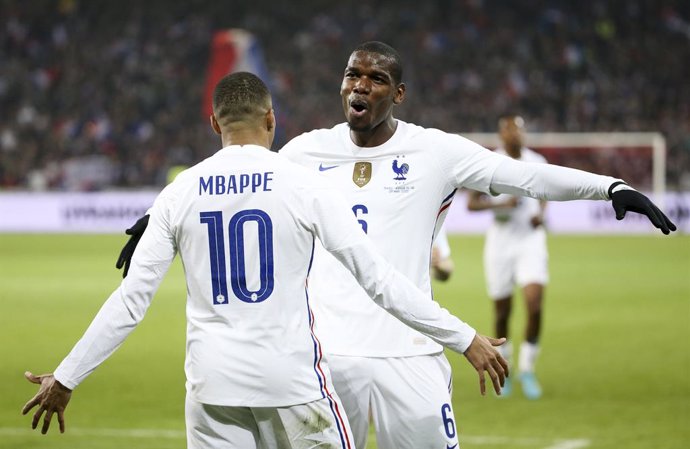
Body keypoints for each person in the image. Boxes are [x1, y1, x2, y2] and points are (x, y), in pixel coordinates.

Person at [115, 42, 676, 449]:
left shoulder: (436, 152)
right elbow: (228, 180)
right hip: (328, 361)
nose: (359, 85)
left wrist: (610, 187)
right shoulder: (306, 151)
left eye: (375, 78)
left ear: (398, 93)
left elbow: (526, 178)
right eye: (351, 75)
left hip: (412, 352)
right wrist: (150, 218)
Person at [22, 72, 509, 448]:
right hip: (293, 385)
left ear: (214, 123)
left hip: (210, 389)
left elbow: (131, 301)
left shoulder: (180, 190)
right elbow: (378, 279)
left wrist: (66, 377)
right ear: (271, 120)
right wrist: (463, 338)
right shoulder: (303, 183)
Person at [467, 114, 548, 399]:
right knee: (502, 311)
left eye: (518, 130)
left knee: (535, 304)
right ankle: (507, 367)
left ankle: (527, 368)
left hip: (530, 239)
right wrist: (502, 204)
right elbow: (472, 204)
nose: (513, 135)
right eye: (508, 131)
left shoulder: (537, 162)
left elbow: (546, 195)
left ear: (524, 134)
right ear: (501, 135)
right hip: (500, 241)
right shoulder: (488, 163)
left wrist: (541, 215)